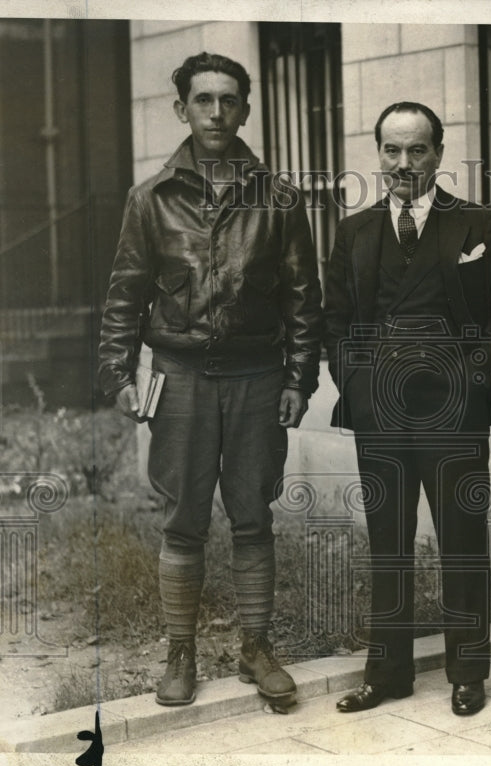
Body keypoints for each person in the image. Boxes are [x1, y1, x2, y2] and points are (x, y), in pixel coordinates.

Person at [97, 52, 322, 708]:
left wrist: (299, 381)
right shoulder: (151, 198)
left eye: (229, 100)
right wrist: (118, 373)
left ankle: (257, 647)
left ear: (246, 110)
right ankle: (180, 651)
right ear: (182, 109)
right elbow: (123, 296)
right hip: (181, 376)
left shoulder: (278, 198)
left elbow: (303, 299)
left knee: (253, 518)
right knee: (183, 522)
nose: (217, 113)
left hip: (257, 376)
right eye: (203, 100)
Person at [323, 102, 491, 716]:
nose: (403, 164)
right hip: (379, 412)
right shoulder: (354, 231)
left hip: (454, 412)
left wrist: (471, 383)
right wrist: (355, 382)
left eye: (416, 150)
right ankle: (388, 673)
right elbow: (334, 319)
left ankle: (468, 670)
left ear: (438, 153)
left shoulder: (478, 224)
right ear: (377, 153)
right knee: (388, 543)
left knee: (462, 540)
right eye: (391, 151)